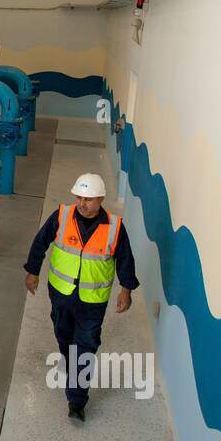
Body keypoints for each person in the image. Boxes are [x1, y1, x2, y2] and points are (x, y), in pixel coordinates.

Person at [24, 173, 139, 422]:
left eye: (88, 199)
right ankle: (71, 361)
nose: (82, 203)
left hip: (92, 299)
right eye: (79, 197)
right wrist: (32, 271)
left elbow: (126, 260)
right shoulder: (62, 216)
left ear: (100, 199)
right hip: (61, 294)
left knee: (85, 344)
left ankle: (77, 400)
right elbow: (40, 242)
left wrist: (126, 289)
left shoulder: (115, 227)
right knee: (63, 335)